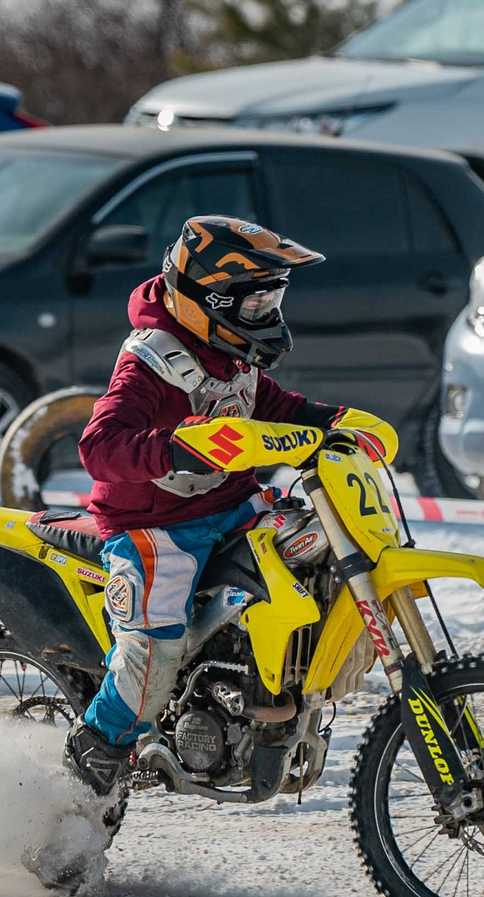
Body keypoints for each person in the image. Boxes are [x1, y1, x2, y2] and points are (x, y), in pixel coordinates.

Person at [65, 215, 387, 797]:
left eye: (272, 300)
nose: (266, 313)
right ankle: (90, 759)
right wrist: (176, 447)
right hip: (156, 528)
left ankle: (262, 692)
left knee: (312, 558)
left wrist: (337, 421)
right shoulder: (150, 362)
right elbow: (99, 446)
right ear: (209, 299)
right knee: (154, 654)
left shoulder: (227, 353)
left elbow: (275, 405)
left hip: (233, 507)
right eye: (255, 302)